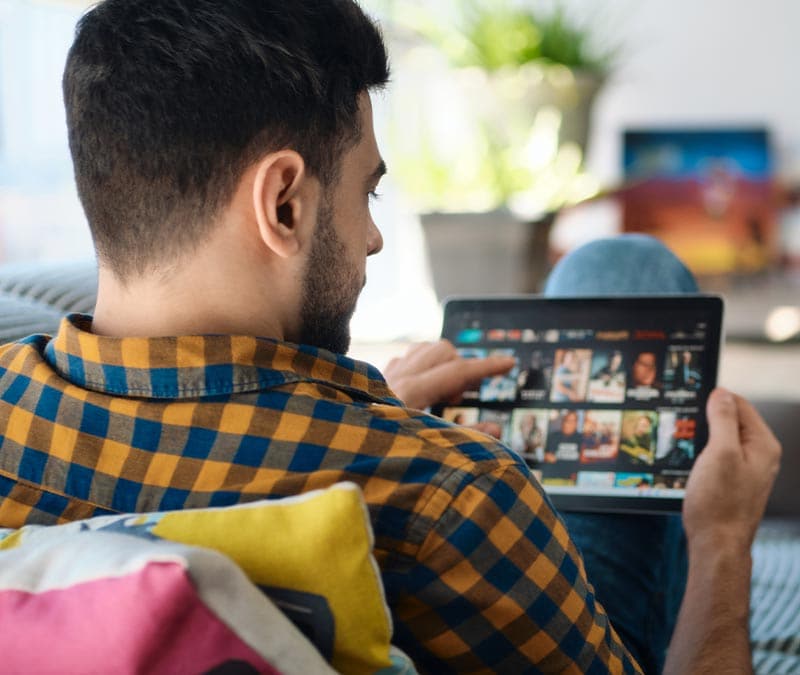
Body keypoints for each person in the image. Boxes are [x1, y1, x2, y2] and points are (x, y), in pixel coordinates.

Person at [0, 2, 781, 673]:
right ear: (282, 204)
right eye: (365, 190)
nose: (373, 238)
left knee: (615, 267)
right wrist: (722, 537)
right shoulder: (454, 494)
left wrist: (374, 415)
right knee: (629, 271)